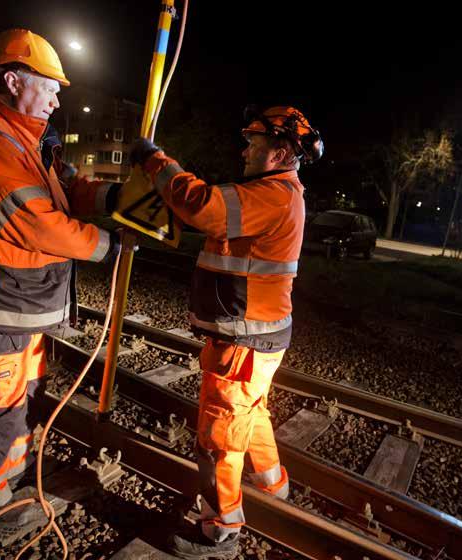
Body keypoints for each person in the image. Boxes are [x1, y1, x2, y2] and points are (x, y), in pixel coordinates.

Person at [0, 28, 118, 518]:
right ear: (15, 80)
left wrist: (116, 199)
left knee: (19, 400)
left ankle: (10, 476)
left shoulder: (26, 141)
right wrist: (109, 246)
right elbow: (37, 223)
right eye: (51, 86)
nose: (58, 99)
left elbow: (66, 190)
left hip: (21, 302)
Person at [131, 106, 323, 559]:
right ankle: (273, 486)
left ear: (279, 152)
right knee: (250, 412)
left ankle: (220, 530)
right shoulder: (274, 192)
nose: (245, 150)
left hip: (245, 339)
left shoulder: (273, 194)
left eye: (254, 144)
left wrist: (155, 160)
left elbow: (206, 207)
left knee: (219, 437)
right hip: (257, 336)